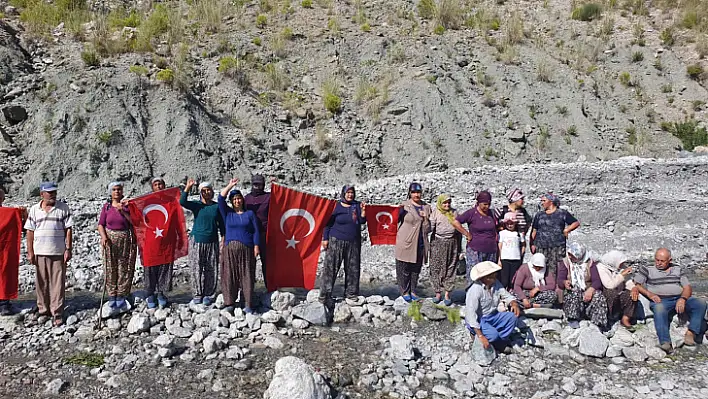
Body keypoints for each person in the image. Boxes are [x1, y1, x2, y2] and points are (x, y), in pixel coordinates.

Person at [632, 248, 707, 353]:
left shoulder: (678, 269)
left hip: (678, 297)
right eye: (657, 260)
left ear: (669, 260)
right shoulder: (647, 268)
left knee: (700, 303)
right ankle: (665, 342)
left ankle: (691, 333)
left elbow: (687, 287)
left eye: (662, 261)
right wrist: (650, 294)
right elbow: (637, 284)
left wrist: (683, 299)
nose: (658, 263)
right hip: (660, 299)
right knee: (659, 308)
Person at [24, 182, 73, 327]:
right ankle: (43, 309)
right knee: (41, 282)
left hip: (58, 251)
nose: (53, 195)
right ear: (42, 194)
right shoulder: (34, 210)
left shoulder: (63, 208)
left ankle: (57, 312)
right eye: (49, 193)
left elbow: (68, 229)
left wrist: (68, 249)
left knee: (57, 283)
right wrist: (30, 252)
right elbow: (29, 232)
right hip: (40, 252)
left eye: (54, 192)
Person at [218, 179, 261, 314]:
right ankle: (229, 302)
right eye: (234, 199)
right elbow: (220, 198)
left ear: (242, 200)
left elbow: (256, 231)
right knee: (229, 275)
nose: (237, 201)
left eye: (239, 198)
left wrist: (256, 246)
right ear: (232, 201)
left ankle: (248, 303)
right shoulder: (227, 213)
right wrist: (230, 185)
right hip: (230, 249)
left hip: (247, 248)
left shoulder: (250, 214)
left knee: (247, 275)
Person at [319, 185, 366, 306]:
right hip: (336, 240)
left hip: (354, 242)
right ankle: (325, 295)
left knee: (353, 269)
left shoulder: (357, 205)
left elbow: (361, 221)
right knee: (331, 268)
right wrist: (325, 239)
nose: (350, 195)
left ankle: (351, 294)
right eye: (348, 192)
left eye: (352, 192)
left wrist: (364, 211)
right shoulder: (336, 206)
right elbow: (327, 223)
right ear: (343, 193)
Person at [181, 179, 224, 306]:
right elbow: (182, 202)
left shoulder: (216, 207)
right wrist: (188, 187)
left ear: (212, 191)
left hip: (212, 241)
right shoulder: (197, 205)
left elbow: (221, 224)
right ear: (200, 193)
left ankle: (209, 294)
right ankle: (197, 294)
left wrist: (223, 238)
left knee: (211, 268)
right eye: (203, 191)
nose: (206, 193)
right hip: (197, 240)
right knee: (196, 268)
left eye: (208, 190)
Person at [464, 261, 522, 351]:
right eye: (492, 276)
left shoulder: (495, 283)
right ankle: (480, 336)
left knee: (512, 318)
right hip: (480, 319)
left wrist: (513, 302)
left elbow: (505, 294)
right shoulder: (475, 290)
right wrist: (480, 335)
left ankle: (498, 341)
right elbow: (471, 315)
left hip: (493, 315)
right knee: (493, 335)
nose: (495, 278)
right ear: (484, 278)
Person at [97, 182, 136, 310]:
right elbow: (101, 224)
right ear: (111, 192)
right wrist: (104, 237)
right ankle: (112, 294)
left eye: (119, 189)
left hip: (125, 238)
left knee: (123, 266)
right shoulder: (106, 207)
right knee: (110, 266)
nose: (117, 192)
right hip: (109, 239)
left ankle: (122, 293)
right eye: (114, 189)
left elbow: (133, 222)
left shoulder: (127, 206)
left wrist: (123, 211)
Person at [557, 242, 607, 329]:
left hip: (587, 291)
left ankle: (598, 322)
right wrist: (565, 282)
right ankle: (573, 318)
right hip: (574, 292)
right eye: (569, 254)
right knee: (574, 291)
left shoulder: (590, 263)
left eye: (572, 255)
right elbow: (560, 280)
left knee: (598, 295)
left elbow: (597, 281)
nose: (569, 257)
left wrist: (591, 290)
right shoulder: (566, 263)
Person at [394, 182, 431, 302]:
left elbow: (428, 228)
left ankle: (413, 290)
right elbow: (393, 220)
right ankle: (404, 290)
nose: (416, 194)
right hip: (406, 240)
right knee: (404, 268)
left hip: (420, 242)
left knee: (416, 268)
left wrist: (425, 218)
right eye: (414, 192)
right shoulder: (404, 206)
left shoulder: (426, 207)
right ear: (409, 193)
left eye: (418, 192)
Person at [452, 191, 498, 285]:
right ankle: (471, 294)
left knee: (489, 273)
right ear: (479, 203)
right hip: (475, 249)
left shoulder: (492, 213)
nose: (487, 207)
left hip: (491, 249)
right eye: (485, 204)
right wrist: (467, 233)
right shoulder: (472, 213)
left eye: (489, 204)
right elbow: (455, 222)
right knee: (474, 272)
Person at [529, 193, 580, 275]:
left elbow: (575, 223)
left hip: (557, 247)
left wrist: (567, 230)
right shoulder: (539, 215)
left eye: (544, 201)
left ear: (551, 201)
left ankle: (557, 285)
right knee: (541, 267)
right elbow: (534, 230)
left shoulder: (562, 213)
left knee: (557, 268)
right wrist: (532, 244)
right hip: (541, 247)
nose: (542, 203)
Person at [144, 177, 173, 309]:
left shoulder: (170, 201)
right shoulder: (146, 201)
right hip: (150, 240)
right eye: (156, 184)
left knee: (164, 266)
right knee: (150, 267)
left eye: (160, 184)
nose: (158, 186)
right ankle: (150, 293)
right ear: (152, 187)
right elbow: (137, 215)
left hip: (166, 240)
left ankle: (161, 293)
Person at [428, 194, 461, 306]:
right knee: (435, 267)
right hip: (438, 242)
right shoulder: (435, 213)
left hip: (452, 243)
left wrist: (460, 248)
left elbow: (458, 229)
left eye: (448, 203)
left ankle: (447, 294)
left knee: (450, 267)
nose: (447, 205)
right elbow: (429, 228)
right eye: (444, 203)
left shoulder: (454, 213)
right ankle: (437, 293)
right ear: (440, 203)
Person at [0, 187, 26, 316]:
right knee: (5, 274)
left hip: (4, 249)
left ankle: (4, 304)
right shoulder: (9, 213)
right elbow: (22, 226)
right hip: (5, 251)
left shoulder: (9, 212)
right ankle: (4, 304)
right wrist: (22, 213)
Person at [597, 250, 636, 330]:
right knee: (611, 292)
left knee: (632, 293)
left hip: (619, 293)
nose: (622, 265)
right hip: (607, 295)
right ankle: (609, 316)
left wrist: (633, 288)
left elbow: (628, 281)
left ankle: (625, 319)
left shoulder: (621, 267)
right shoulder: (601, 267)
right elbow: (609, 285)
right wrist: (621, 275)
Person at [244, 174, 271, 287]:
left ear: (263, 185)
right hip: (249, 234)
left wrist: (276, 185)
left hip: (265, 234)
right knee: (249, 263)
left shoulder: (269, 197)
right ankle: (250, 289)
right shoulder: (246, 198)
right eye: (255, 184)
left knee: (267, 263)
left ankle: (269, 287)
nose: (257, 186)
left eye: (259, 184)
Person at [497, 212, 525, 290]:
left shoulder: (519, 234)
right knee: (504, 280)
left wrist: (520, 254)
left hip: (516, 259)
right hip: (505, 258)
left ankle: (512, 293)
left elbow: (523, 245)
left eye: (512, 224)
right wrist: (499, 259)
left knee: (513, 279)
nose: (510, 225)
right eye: (508, 224)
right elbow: (500, 246)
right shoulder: (502, 233)